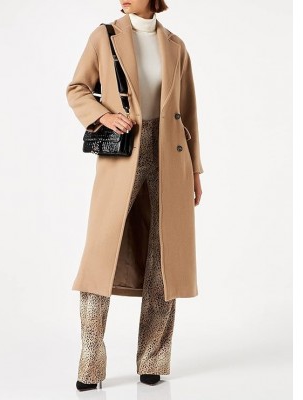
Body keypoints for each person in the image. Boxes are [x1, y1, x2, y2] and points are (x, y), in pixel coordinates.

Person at [65, 0, 204, 391]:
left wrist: (195, 170)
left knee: (165, 256)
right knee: (99, 258)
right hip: (124, 151)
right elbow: (77, 88)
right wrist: (104, 115)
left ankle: (153, 360)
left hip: (171, 155)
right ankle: (90, 363)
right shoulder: (105, 36)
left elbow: (188, 111)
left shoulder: (175, 45)